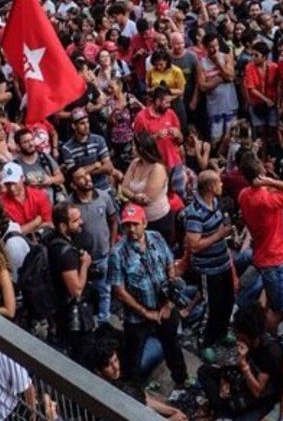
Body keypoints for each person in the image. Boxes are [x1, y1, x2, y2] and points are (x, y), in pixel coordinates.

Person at [110, 203, 189, 388]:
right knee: (133, 355)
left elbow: (170, 265)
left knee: (173, 345)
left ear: (144, 223)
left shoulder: (156, 238)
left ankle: (182, 380)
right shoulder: (118, 253)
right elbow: (119, 290)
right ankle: (133, 391)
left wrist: (169, 301)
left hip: (163, 308)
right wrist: (145, 313)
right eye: (127, 225)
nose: (131, 229)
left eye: (135, 224)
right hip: (137, 316)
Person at [237, 151, 283, 326]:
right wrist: (272, 182)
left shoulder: (244, 195)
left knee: (267, 296)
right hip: (275, 258)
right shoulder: (267, 199)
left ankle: (263, 330)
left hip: (262, 254)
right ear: (261, 174)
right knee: (282, 308)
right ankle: (265, 335)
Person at [182, 169, 237, 360]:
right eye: (219, 183)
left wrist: (229, 236)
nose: (222, 185)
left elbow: (223, 228)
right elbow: (194, 245)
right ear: (211, 187)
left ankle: (221, 332)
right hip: (208, 268)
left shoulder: (216, 204)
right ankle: (204, 340)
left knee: (228, 300)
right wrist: (219, 235)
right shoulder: (195, 213)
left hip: (222, 262)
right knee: (211, 305)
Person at [64, 164, 119, 323]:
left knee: (104, 291)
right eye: (80, 177)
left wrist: (112, 244)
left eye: (87, 174)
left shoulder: (103, 196)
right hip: (81, 259)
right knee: (84, 292)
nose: (87, 178)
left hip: (102, 255)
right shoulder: (69, 205)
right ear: (73, 184)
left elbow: (113, 220)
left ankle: (104, 321)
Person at [46, 202, 95, 355]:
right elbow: (76, 290)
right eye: (75, 221)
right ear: (62, 227)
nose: (81, 222)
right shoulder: (64, 253)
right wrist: (85, 264)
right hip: (70, 316)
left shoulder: (53, 240)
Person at [59, 107, 115, 193]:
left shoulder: (99, 140)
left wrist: (84, 171)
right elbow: (75, 175)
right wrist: (95, 165)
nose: (86, 126)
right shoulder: (67, 148)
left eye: (87, 122)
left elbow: (108, 167)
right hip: (83, 190)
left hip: (103, 187)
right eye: (82, 123)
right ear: (74, 126)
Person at [0, 162, 53, 235]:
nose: (12, 188)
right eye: (8, 184)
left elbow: (49, 224)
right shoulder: (0, 203)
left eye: (14, 183)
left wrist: (24, 229)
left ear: (22, 178)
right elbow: (11, 233)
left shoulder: (40, 195)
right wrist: (36, 222)